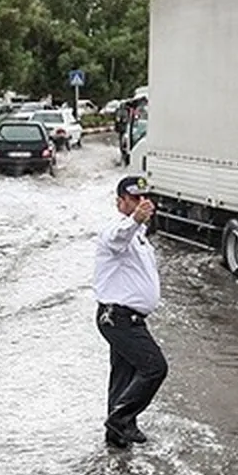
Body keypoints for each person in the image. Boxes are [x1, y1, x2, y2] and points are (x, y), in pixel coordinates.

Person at [94, 175, 168, 449]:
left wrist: (139, 223)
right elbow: (117, 238)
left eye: (146, 198)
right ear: (120, 203)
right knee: (154, 367)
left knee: (123, 378)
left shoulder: (140, 237)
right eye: (135, 198)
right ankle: (120, 420)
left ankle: (116, 438)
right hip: (117, 318)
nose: (143, 203)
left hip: (130, 319)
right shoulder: (115, 230)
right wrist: (135, 219)